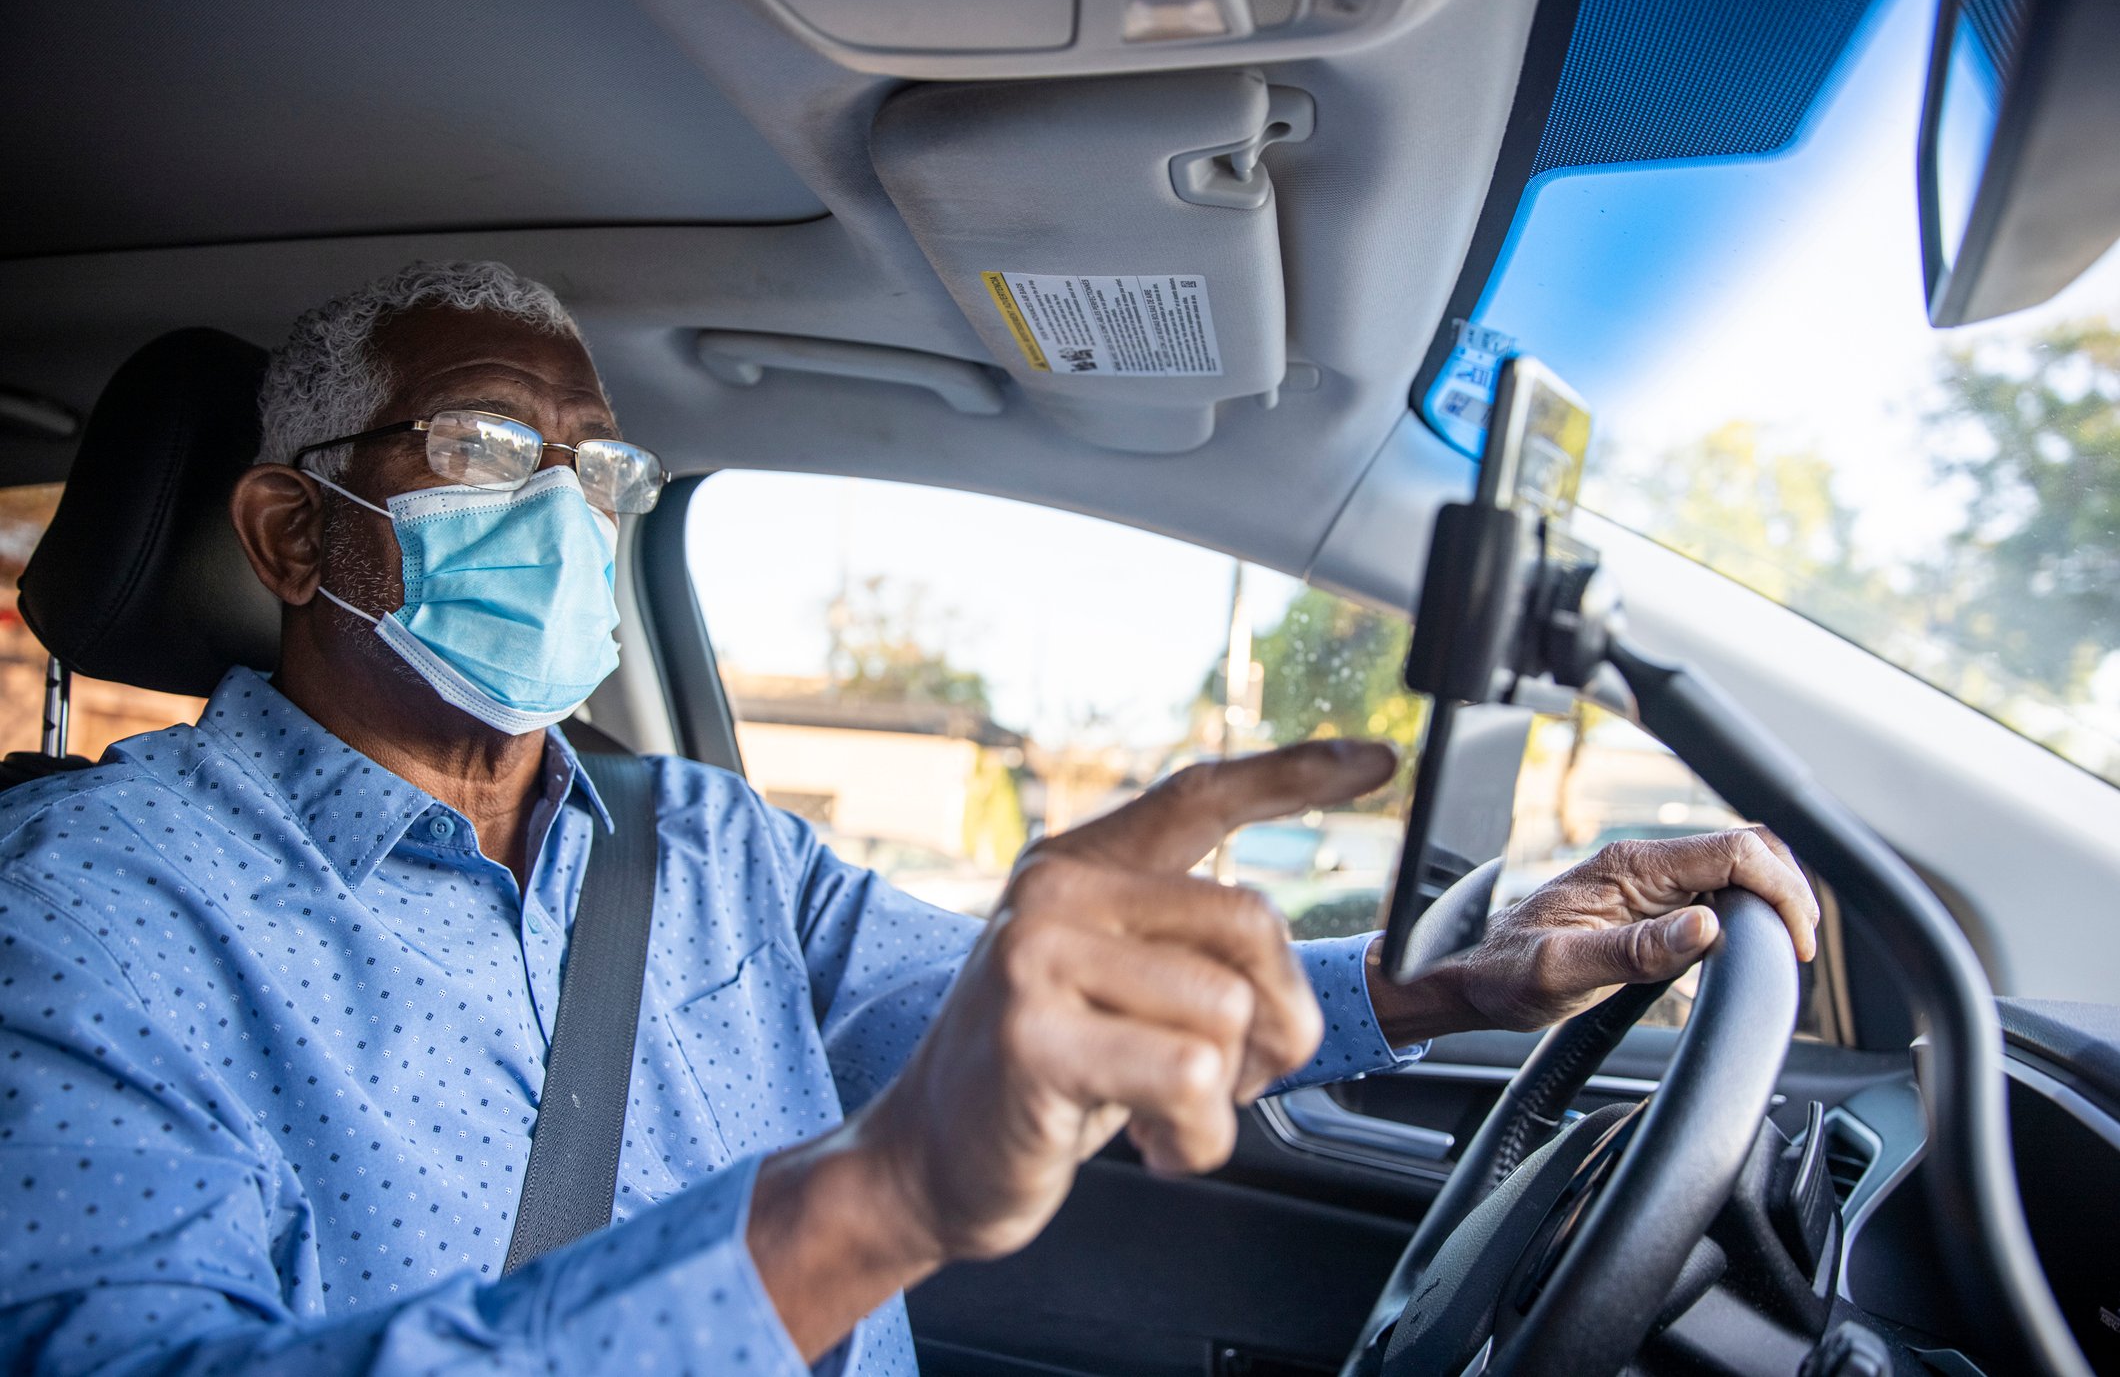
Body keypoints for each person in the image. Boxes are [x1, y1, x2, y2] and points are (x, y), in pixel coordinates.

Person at [0, 261, 1819, 1374]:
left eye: (598, 468)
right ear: (292, 535)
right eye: (484, 449)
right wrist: (866, 1207)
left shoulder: (698, 843)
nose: (566, 512)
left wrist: (1450, 983)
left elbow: (1006, 1018)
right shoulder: (86, 917)